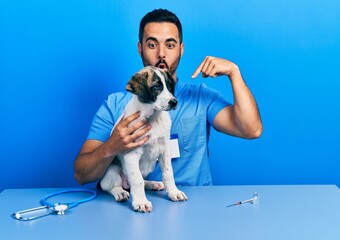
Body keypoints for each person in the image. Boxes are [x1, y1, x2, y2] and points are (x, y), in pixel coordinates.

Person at [74, 9, 262, 186]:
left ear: (181, 49)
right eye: (152, 44)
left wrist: (234, 72)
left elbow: (251, 129)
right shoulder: (114, 105)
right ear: (140, 48)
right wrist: (111, 148)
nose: (161, 54)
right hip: (137, 206)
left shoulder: (201, 97)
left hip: (193, 204)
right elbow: (81, 175)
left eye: (170, 45)